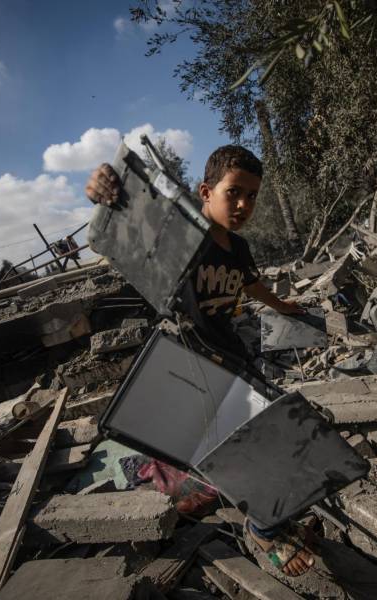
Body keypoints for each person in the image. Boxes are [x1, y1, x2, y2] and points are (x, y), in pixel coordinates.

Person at [85, 144, 317, 577]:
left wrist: (282, 305)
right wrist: (104, 190)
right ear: (206, 192)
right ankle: (264, 529)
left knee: (273, 430)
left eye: (253, 195)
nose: (245, 204)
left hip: (230, 355)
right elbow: (128, 230)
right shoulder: (181, 240)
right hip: (188, 364)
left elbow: (251, 286)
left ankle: (255, 505)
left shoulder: (239, 248)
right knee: (246, 446)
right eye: (235, 193)